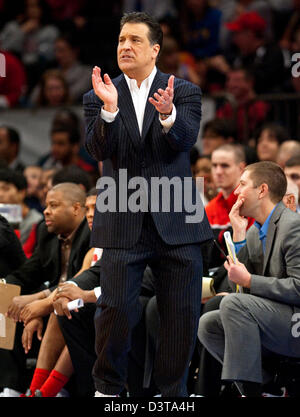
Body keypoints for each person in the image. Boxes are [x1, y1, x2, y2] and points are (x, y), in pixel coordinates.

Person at [83, 11, 213, 397]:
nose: (125, 46)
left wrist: (168, 114)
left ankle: (170, 395)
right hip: (122, 216)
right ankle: (107, 390)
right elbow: (96, 149)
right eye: (122, 40)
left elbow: (185, 141)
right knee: (116, 312)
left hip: (178, 218)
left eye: (135, 40)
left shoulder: (184, 92)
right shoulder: (98, 94)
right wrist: (108, 111)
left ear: (155, 50)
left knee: (180, 316)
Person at [198, 161, 300, 397]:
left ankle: (247, 392)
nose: (235, 192)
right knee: (209, 325)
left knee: (232, 304)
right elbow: (243, 292)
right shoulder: (255, 231)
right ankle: (268, 385)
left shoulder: (292, 227)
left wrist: (249, 281)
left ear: (262, 190)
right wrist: (239, 234)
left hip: (294, 320)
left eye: (242, 184)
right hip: (276, 317)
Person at [0, 182, 91, 397]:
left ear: (77, 208)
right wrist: (4, 287)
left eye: (53, 205)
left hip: (78, 301)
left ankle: (50, 390)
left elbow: (79, 281)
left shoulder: (90, 233)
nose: (46, 211)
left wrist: (40, 304)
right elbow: (29, 272)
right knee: (4, 301)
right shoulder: (47, 231)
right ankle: (12, 387)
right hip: (52, 298)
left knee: (58, 311)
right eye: (46, 205)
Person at [205, 144, 254, 268]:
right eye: (214, 165)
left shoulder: (252, 205)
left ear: (241, 168)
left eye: (225, 166)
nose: (218, 171)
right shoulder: (210, 208)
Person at [0, 168, 43, 250]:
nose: (0, 194)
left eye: (6, 189)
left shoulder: (36, 221)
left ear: (22, 193)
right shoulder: (3, 211)